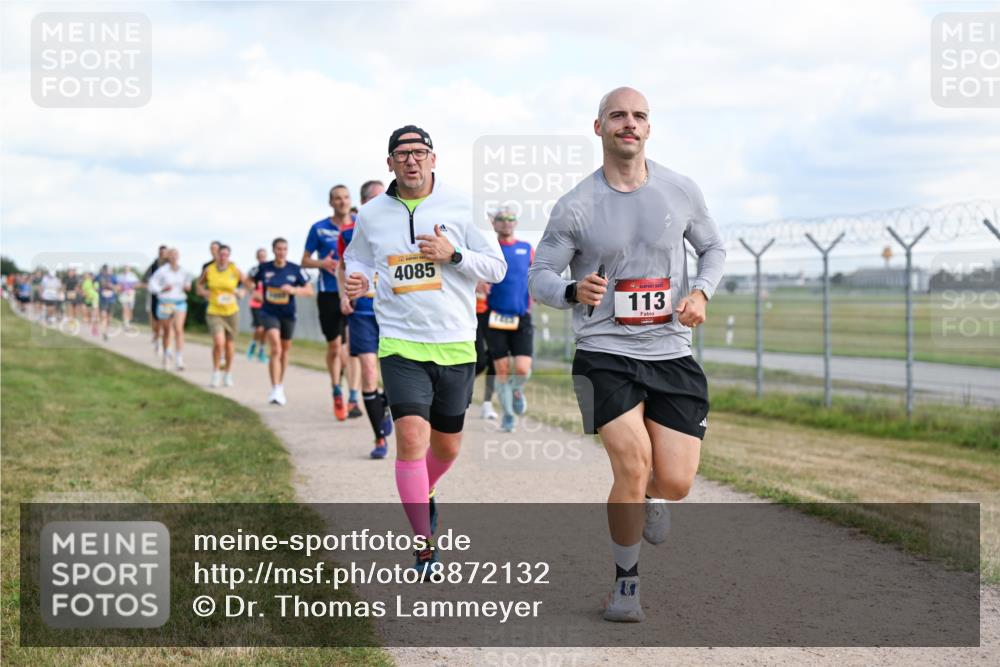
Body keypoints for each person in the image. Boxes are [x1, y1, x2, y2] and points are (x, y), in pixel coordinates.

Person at [528, 87, 726, 622]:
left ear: (649, 128)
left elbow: (713, 248)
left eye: (639, 116)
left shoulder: (680, 190)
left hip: (670, 350)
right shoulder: (575, 206)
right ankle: (626, 587)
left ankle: (651, 498)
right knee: (632, 465)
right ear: (600, 129)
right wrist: (573, 292)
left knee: (677, 482)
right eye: (618, 116)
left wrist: (701, 292)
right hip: (604, 351)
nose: (629, 124)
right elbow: (539, 278)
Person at [344, 125, 506, 574]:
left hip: (455, 343)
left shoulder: (462, 205)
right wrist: (355, 278)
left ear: (434, 159)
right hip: (399, 341)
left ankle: (422, 490)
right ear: (390, 162)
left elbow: (496, 267)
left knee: (447, 448)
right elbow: (356, 256)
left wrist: (453, 254)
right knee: (411, 439)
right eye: (402, 153)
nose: (411, 160)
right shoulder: (372, 213)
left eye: (419, 152)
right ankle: (424, 541)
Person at [337, 178, 394, 458]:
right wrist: (343, 295)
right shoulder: (348, 232)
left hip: (393, 310)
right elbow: (341, 265)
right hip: (362, 311)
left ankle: (386, 403)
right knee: (369, 371)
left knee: (396, 374)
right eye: (377, 198)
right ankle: (379, 438)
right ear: (363, 204)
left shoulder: (397, 227)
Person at [485, 208, 535, 432]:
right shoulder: (488, 249)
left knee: (522, 369)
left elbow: (537, 274)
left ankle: (517, 390)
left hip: (521, 316)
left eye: (510, 219)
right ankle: (507, 415)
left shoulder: (526, 248)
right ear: (494, 224)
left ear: (516, 223)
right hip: (495, 316)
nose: (506, 223)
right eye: (501, 220)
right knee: (502, 369)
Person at [303, 186, 350, 419]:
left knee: (352, 348)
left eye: (345, 198)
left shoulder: (360, 224)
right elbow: (304, 261)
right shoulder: (319, 228)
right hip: (329, 293)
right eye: (337, 199)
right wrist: (323, 264)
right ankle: (336, 390)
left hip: (355, 291)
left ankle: (353, 397)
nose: (342, 202)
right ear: (331, 202)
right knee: (335, 347)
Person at [256, 237, 313, 406]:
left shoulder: (295, 269)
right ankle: (274, 388)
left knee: (285, 351)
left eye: (284, 249)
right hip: (269, 313)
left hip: (288, 314)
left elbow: (309, 290)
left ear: (287, 251)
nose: (281, 252)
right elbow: (249, 281)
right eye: (278, 248)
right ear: (273, 250)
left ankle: (280, 386)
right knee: (276, 347)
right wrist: (254, 292)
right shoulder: (263, 268)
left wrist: (293, 289)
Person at [197, 244, 245, 388]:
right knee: (219, 342)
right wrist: (205, 293)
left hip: (231, 311)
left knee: (230, 345)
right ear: (216, 255)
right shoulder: (209, 270)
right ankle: (216, 372)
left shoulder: (234, 270)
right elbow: (198, 286)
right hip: (214, 311)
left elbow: (248, 284)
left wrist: (241, 292)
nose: (223, 257)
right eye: (221, 254)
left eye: (226, 255)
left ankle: (228, 374)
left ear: (229, 256)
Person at [149, 248, 192, 371]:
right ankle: (166, 355)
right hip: (165, 302)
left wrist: (187, 287)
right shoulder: (162, 271)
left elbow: (188, 284)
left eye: (175, 255)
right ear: (168, 257)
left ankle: (179, 358)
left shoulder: (184, 271)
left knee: (179, 329)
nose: (174, 257)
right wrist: (162, 289)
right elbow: (152, 284)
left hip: (179, 302)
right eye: (171, 255)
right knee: (167, 330)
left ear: (178, 257)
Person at [474, 280, 499, 420]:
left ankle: (487, 403)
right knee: (479, 362)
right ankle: (460, 388)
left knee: (495, 360)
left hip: (494, 311)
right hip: (471, 312)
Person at [144, 245, 169, 357]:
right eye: (161, 253)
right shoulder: (154, 266)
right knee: (156, 319)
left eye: (165, 253)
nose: (163, 255)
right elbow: (145, 278)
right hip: (155, 295)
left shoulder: (171, 266)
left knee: (167, 321)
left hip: (168, 297)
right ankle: (157, 337)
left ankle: (166, 346)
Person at [245, 247, 269, 363]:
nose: (262, 258)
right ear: (257, 257)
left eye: (264, 256)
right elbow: (248, 286)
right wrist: (254, 292)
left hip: (268, 304)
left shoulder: (270, 270)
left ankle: (261, 350)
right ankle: (253, 344)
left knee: (265, 330)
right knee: (259, 328)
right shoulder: (254, 271)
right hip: (256, 304)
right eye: (260, 256)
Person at [96, 264, 118, 341]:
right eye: (104, 270)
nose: (106, 271)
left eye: (107, 270)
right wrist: (97, 288)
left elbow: (117, 287)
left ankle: (106, 331)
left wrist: (112, 286)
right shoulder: (99, 276)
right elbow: (94, 284)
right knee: (103, 315)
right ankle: (104, 332)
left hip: (112, 299)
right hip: (103, 299)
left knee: (109, 318)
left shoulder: (113, 277)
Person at [117, 265, 140, 330]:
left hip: (131, 294)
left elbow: (137, 284)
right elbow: (118, 286)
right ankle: (125, 323)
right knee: (125, 308)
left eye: (127, 269)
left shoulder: (133, 276)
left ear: (129, 269)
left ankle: (129, 322)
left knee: (130, 309)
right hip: (123, 294)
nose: (126, 270)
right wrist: (120, 289)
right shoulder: (120, 276)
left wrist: (132, 287)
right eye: (125, 269)